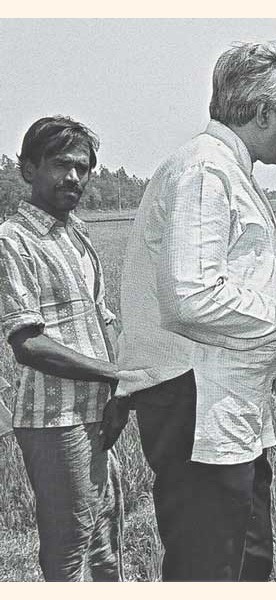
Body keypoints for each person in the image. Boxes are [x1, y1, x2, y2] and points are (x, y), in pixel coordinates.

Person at [116, 39, 276, 581]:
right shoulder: (205, 172)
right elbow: (191, 297)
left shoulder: (223, 169)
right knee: (210, 566)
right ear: (263, 112)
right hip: (196, 400)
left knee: (243, 559)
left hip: (223, 403)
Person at [0, 116, 127, 580]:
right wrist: (117, 376)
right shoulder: (12, 241)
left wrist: (119, 392)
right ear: (28, 169)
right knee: (69, 551)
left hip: (97, 410)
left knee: (107, 547)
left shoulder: (76, 232)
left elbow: (101, 315)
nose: (73, 177)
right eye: (59, 164)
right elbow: (27, 343)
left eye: (83, 167)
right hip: (54, 419)